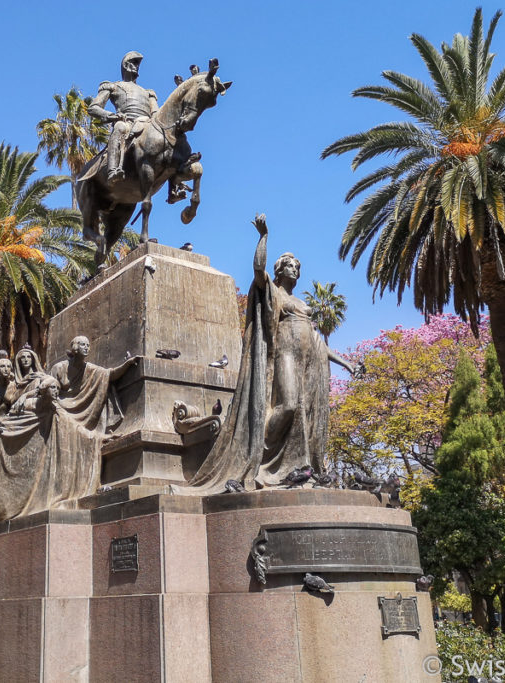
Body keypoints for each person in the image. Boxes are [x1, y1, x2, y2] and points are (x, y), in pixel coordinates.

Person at [180, 214, 356, 492]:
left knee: (302, 413)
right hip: (283, 355)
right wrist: (263, 238)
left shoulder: (301, 302)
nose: (295, 270)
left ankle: (293, 466)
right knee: (287, 406)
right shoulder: (274, 292)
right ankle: (258, 449)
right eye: (289, 265)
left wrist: (346, 363)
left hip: (307, 362)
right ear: (280, 270)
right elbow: (258, 270)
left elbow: (317, 341)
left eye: (298, 266)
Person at [88, 51, 158, 184]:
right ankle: (112, 170)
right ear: (126, 65)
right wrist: (112, 116)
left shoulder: (148, 93)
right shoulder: (113, 86)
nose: (137, 66)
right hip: (127, 123)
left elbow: (156, 113)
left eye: (138, 64)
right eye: (134, 62)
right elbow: (93, 108)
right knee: (119, 127)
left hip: (147, 124)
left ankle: (176, 182)